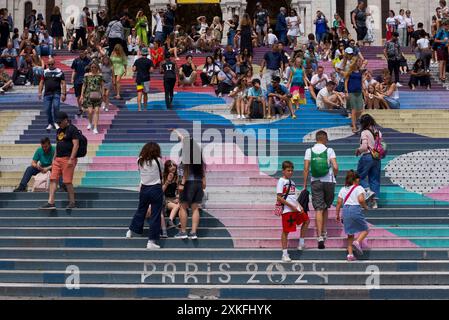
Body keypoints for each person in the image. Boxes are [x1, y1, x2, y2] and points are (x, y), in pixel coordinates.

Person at [303, 130, 338, 249]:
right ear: (324, 139)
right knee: (326, 206)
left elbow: (306, 169)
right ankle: (324, 231)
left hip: (315, 181)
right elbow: (335, 166)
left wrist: (304, 185)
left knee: (319, 208)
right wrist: (335, 176)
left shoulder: (309, 151)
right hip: (329, 181)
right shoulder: (329, 150)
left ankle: (320, 237)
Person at [126, 142, 164, 249]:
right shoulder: (158, 160)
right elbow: (162, 172)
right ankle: (151, 241)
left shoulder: (139, 160)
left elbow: (140, 172)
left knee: (141, 211)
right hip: (155, 188)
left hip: (144, 188)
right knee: (155, 215)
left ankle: (131, 231)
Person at [39, 112, 80, 210]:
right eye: (58, 122)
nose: (59, 124)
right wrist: (54, 158)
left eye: (60, 122)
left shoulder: (72, 129)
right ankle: (51, 202)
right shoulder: (59, 130)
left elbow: (76, 145)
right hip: (58, 159)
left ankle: (72, 202)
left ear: (66, 120)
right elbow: (58, 145)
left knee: (67, 181)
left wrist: (71, 159)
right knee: (53, 179)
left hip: (68, 158)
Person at [277, 161, 310, 263]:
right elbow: (279, 197)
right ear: (283, 171)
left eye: (291, 170)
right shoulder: (281, 181)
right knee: (286, 231)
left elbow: (293, 197)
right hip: (287, 211)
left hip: (295, 209)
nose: (290, 172)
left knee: (306, 220)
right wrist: (292, 206)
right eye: (288, 170)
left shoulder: (292, 182)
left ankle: (301, 243)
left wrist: (299, 206)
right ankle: (285, 253)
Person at [174, 136, 206, 240]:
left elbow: (186, 171)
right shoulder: (198, 155)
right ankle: (193, 232)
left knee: (183, 207)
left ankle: (183, 231)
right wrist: (203, 181)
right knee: (195, 208)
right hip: (198, 183)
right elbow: (202, 170)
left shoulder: (187, 154)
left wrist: (182, 184)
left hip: (188, 183)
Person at [335, 170, 370, 261]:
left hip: (345, 210)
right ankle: (357, 242)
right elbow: (361, 200)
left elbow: (339, 202)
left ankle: (350, 255)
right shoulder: (359, 188)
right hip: (355, 209)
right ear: (356, 179)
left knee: (350, 234)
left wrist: (337, 214)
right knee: (365, 229)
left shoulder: (343, 189)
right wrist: (365, 207)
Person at [356, 114, 382, 209]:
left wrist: (358, 150)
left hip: (367, 156)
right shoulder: (378, 132)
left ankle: (367, 191)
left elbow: (364, 146)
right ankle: (374, 203)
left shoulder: (364, 132)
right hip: (377, 157)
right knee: (374, 179)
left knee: (358, 176)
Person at [38, 58, 66, 131]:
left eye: (52, 64)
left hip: (56, 93)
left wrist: (64, 93)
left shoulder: (59, 71)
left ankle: (56, 122)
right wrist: (39, 92)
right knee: (47, 109)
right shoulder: (45, 72)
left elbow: (63, 83)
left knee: (56, 107)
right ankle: (50, 123)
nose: (50, 65)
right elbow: (41, 82)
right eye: (49, 64)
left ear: (54, 63)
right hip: (47, 93)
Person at [80, 62, 104, 134]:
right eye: (92, 67)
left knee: (96, 111)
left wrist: (102, 94)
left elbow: (102, 85)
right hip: (88, 95)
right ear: (90, 68)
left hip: (97, 95)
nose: (93, 69)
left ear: (97, 68)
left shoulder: (100, 75)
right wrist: (82, 95)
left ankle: (95, 127)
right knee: (90, 111)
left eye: (95, 67)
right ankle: (90, 122)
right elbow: (84, 85)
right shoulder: (87, 75)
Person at [344, 58, 364, 133]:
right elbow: (346, 82)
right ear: (355, 62)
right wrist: (346, 92)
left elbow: (361, 82)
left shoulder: (360, 72)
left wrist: (364, 91)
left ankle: (354, 120)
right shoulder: (350, 71)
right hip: (351, 92)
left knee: (361, 109)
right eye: (358, 61)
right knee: (354, 109)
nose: (360, 63)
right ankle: (354, 126)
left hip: (359, 92)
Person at [133, 47, 154, 112]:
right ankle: (145, 108)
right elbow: (151, 70)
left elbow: (133, 69)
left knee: (139, 93)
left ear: (141, 53)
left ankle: (139, 108)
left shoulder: (137, 61)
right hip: (146, 79)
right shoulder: (149, 61)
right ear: (147, 54)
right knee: (145, 93)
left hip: (139, 79)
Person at [71, 50, 91, 117]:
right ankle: (80, 109)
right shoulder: (76, 60)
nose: (81, 54)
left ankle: (85, 107)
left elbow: (91, 70)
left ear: (85, 53)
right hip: (77, 80)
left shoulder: (89, 61)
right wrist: (72, 78)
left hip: (86, 80)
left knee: (86, 95)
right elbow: (74, 70)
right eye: (80, 52)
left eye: (83, 53)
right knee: (78, 96)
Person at [163, 160, 181, 230]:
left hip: (173, 199)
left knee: (181, 203)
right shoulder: (163, 176)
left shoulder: (177, 177)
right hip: (165, 200)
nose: (173, 167)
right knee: (176, 206)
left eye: (174, 165)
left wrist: (178, 197)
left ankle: (181, 222)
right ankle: (169, 221)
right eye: (170, 166)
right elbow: (161, 191)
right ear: (167, 168)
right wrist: (168, 181)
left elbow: (178, 191)